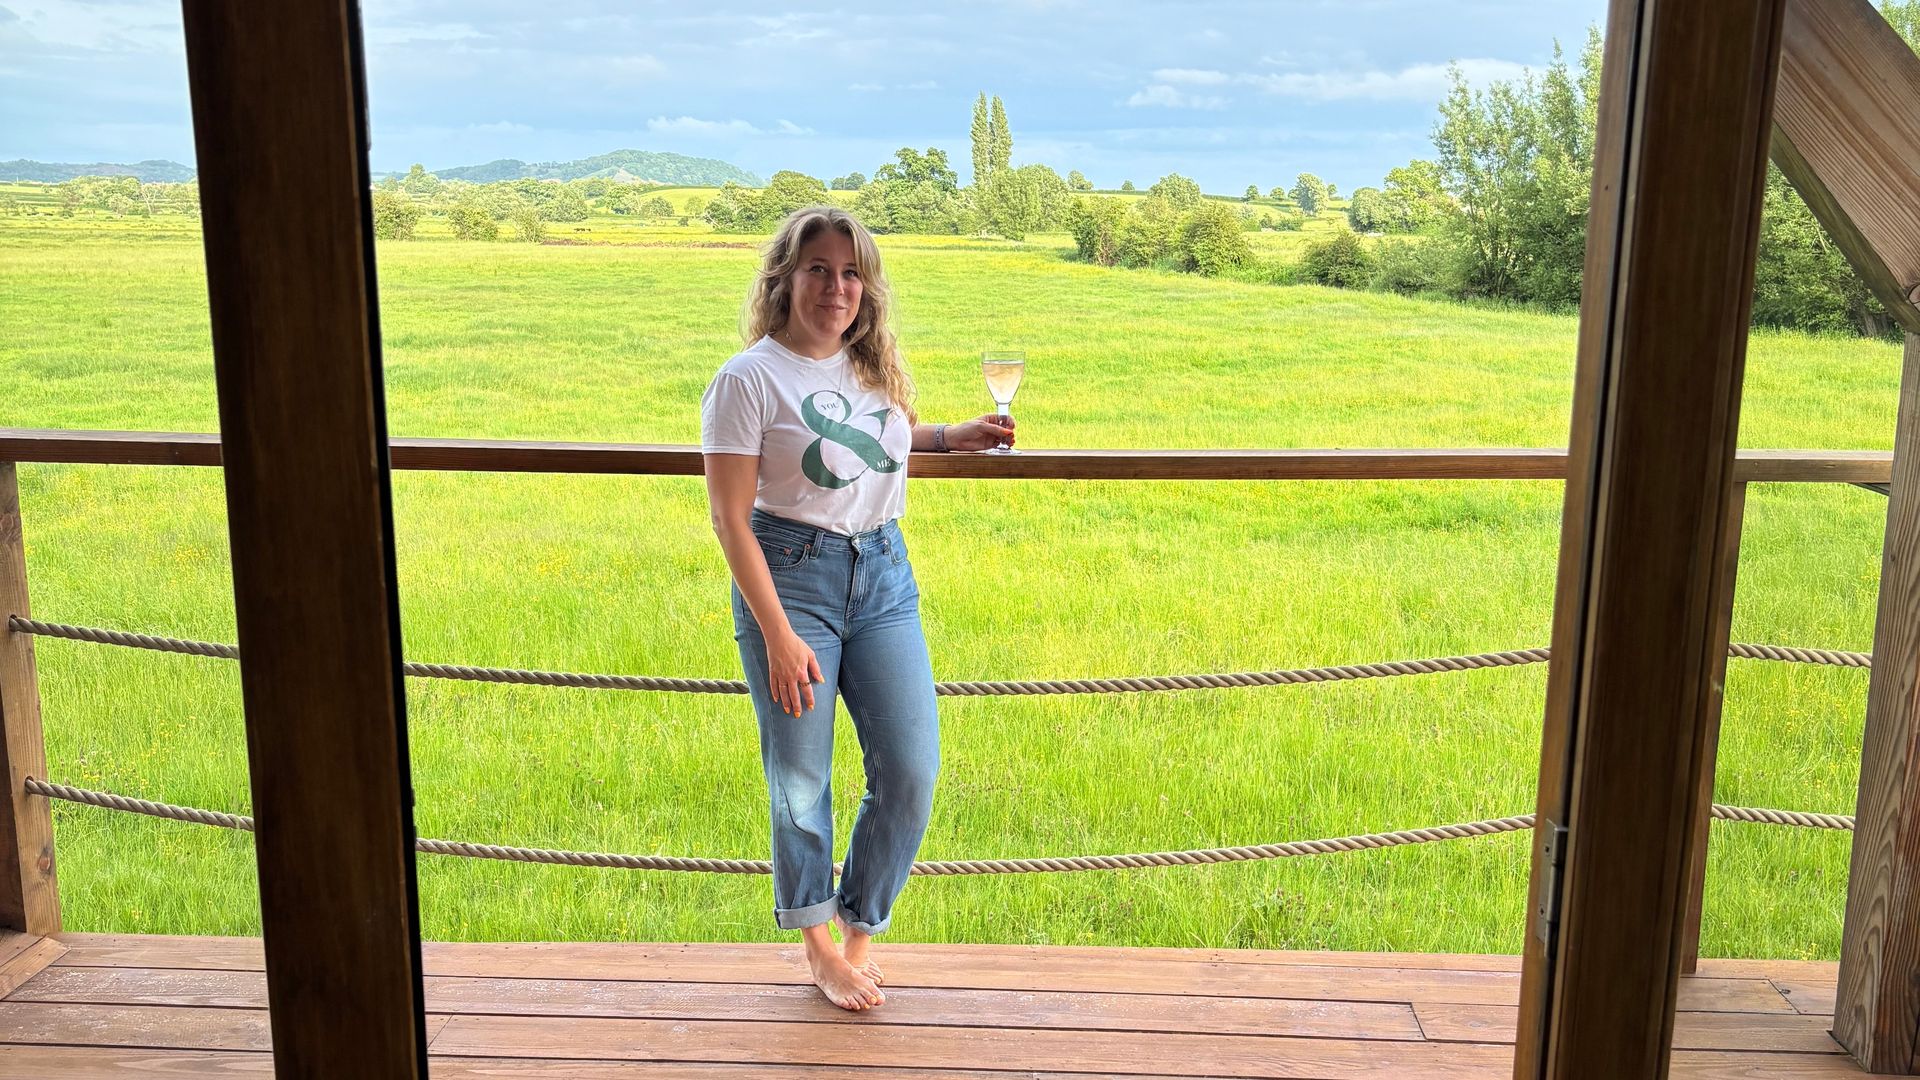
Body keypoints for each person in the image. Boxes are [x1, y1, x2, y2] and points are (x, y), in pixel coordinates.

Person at [700, 205, 1015, 1011]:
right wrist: (776, 632)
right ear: (785, 279)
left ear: (865, 289)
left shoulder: (868, 366)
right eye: (818, 269)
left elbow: (883, 439)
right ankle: (815, 948)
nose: (835, 286)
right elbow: (729, 516)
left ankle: (859, 934)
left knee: (911, 770)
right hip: (790, 579)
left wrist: (950, 436)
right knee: (801, 777)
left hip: (883, 576)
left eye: (850, 273)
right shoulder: (747, 379)